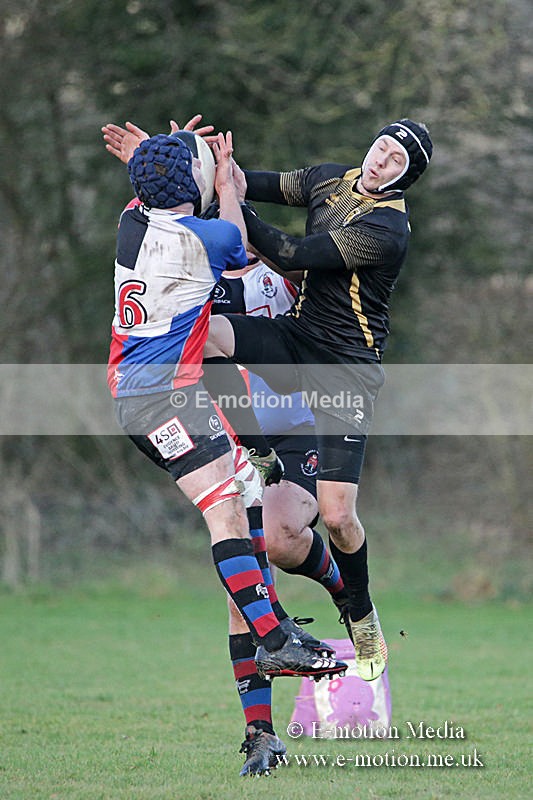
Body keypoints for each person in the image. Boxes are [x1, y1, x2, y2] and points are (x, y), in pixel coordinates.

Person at [102, 116, 433, 685]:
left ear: (407, 177)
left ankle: (360, 610)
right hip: (295, 342)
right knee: (201, 335)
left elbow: (291, 251)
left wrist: (217, 188)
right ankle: (252, 448)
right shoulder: (330, 180)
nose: (382, 161)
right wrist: (188, 166)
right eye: (381, 147)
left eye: (397, 161)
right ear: (370, 144)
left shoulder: (387, 229)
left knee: (337, 516)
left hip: (345, 373)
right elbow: (254, 182)